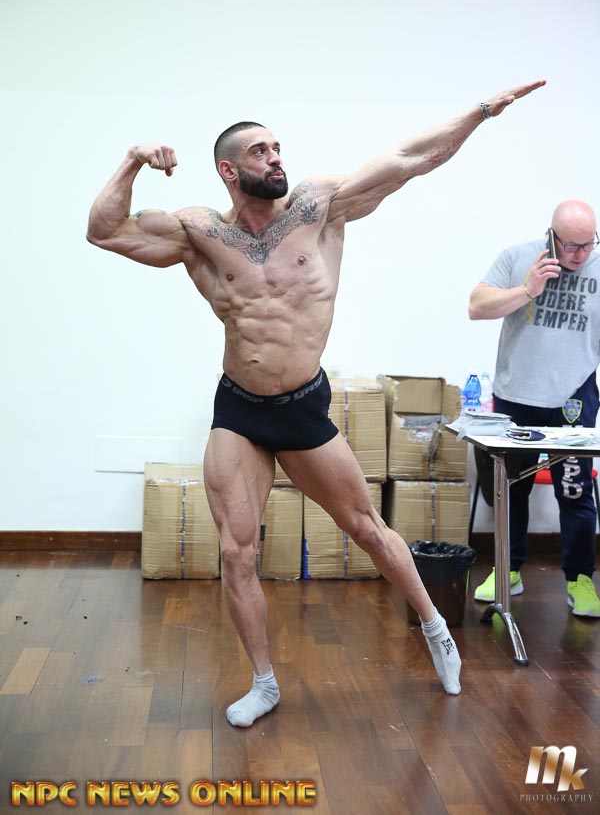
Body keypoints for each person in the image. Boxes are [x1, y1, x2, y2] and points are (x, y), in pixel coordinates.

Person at [87, 80, 544, 726]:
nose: (276, 157)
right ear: (229, 171)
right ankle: (264, 682)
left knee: (366, 528)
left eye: (277, 147)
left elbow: (412, 159)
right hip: (239, 409)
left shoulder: (319, 206)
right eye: (260, 151)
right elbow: (103, 231)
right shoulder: (198, 231)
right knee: (236, 552)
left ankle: (436, 626)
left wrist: (482, 110)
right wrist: (134, 159)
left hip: (302, 407)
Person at [469, 199, 600, 618]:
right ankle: (508, 570)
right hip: (516, 395)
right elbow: (476, 307)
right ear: (551, 236)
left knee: (575, 491)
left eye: (589, 244)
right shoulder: (518, 258)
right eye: (572, 245)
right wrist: (527, 290)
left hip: (574, 398)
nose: (580, 254)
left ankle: (580, 579)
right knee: (511, 488)